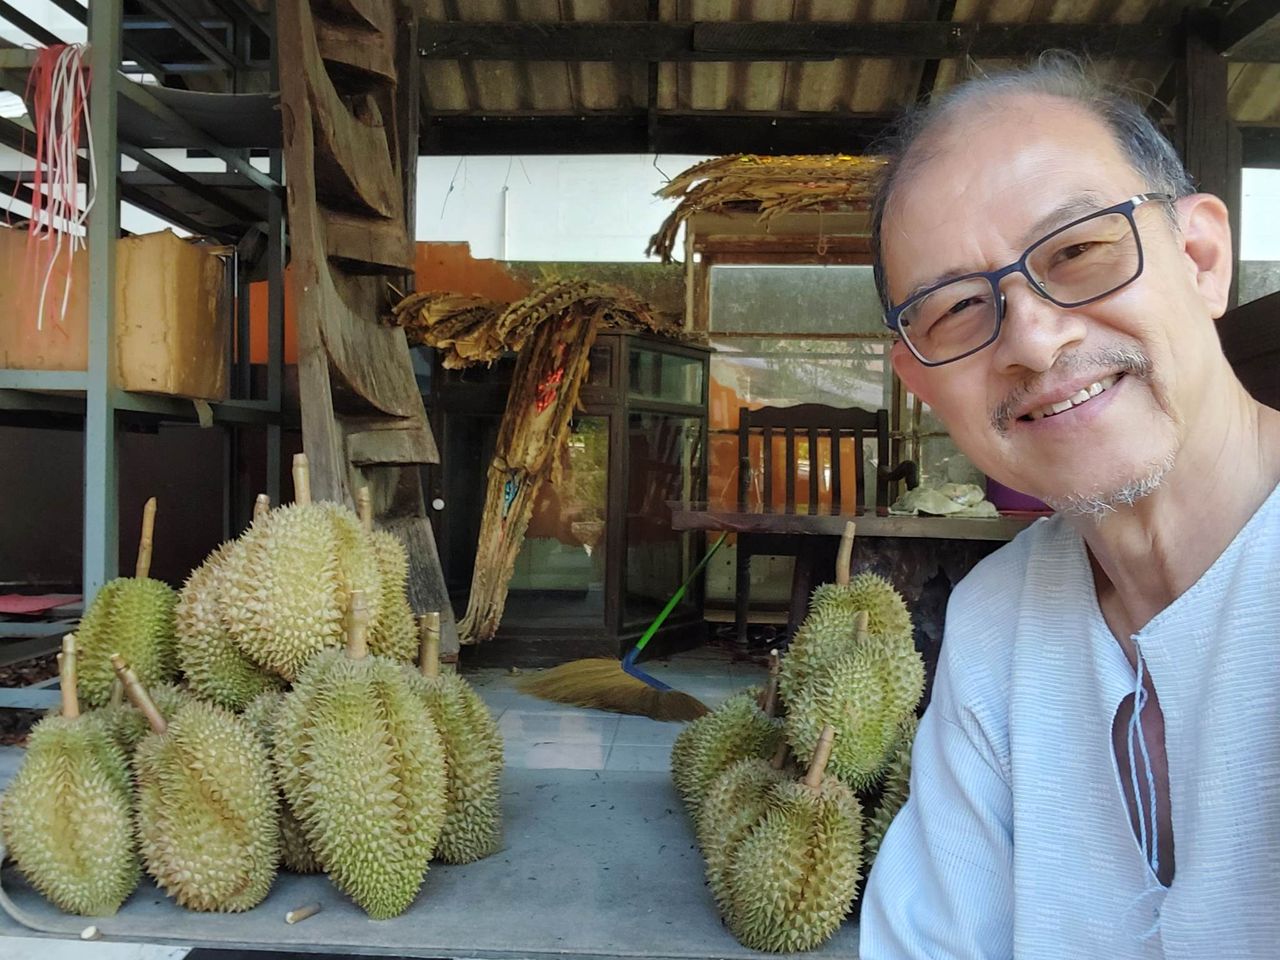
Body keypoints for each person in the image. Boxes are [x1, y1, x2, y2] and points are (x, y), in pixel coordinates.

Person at [858, 55, 1280, 960]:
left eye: (1079, 251)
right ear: (920, 382)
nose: (1034, 340)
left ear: (1202, 259)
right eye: (955, 308)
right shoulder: (994, 621)